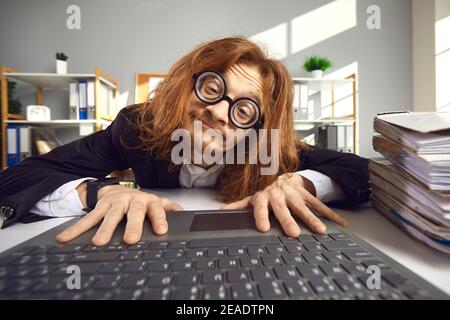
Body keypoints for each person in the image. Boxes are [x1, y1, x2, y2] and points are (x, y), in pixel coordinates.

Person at [0, 37, 370, 246]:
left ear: (258, 127)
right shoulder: (136, 127)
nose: (220, 113)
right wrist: (95, 193)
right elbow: (18, 179)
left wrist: (303, 183)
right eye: (213, 88)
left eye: (244, 110)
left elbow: (363, 171)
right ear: (186, 85)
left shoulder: (270, 149)